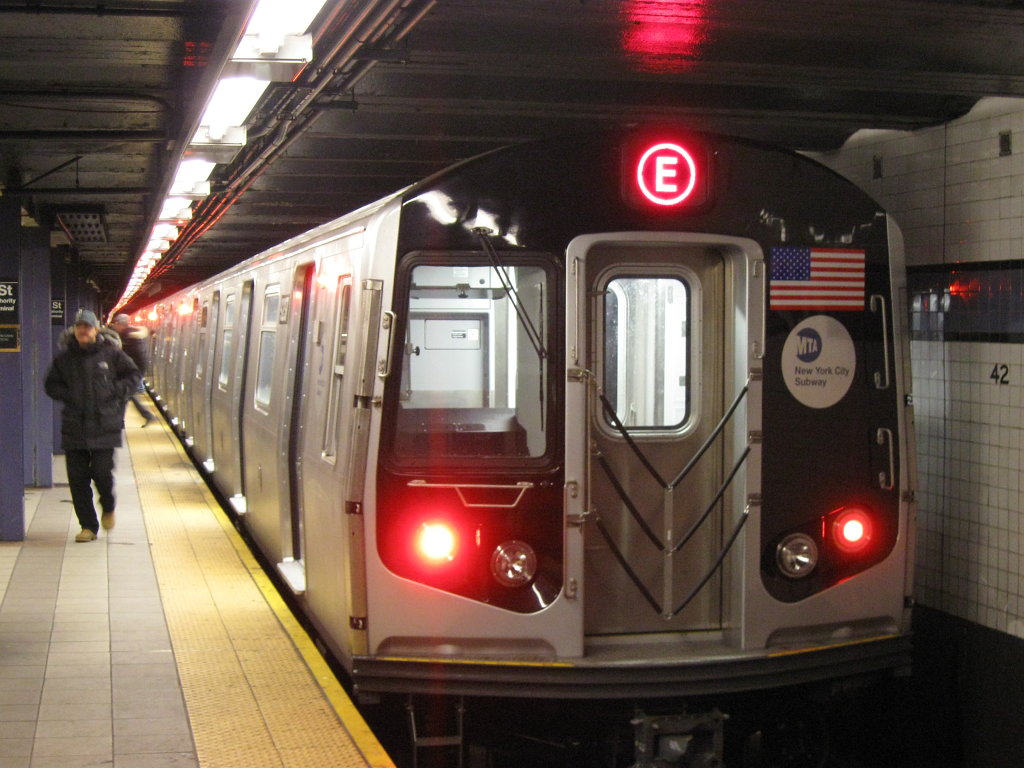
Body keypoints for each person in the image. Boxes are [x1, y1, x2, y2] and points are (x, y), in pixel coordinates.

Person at [44, 308, 141, 542]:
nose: (83, 331)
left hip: (104, 426)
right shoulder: (64, 359)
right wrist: (68, 395)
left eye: (87, 327)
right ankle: (88, 526)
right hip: (75, 427)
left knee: (101, 474)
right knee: (77, 480)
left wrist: (115, 391)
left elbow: (133, 376)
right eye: (80, 327)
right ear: (75, 331)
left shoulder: (112, 354)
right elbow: (50, 385)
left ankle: (108, 506)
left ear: (96, 330)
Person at [109, 313, 157, 426]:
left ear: (120, 324)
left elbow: (121, 354)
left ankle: (121, 420)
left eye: (116, 324)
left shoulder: (126, 335)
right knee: (127, 394)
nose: (115, 326)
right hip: (136, 369)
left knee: (125, 393)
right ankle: (145, 415)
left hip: (133, 370)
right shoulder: (131, 332)